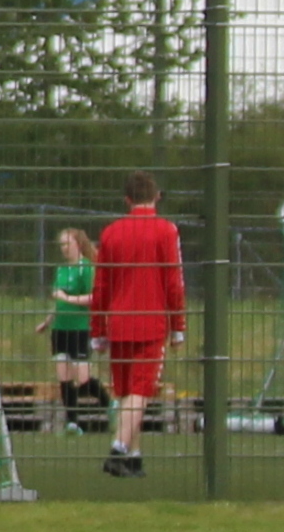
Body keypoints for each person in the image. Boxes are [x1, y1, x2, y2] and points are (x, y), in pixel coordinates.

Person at [92, 172, 186, 480]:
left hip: (118, 322)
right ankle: (118, 449)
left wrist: (98, 329)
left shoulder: (111, 233)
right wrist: (178, 324)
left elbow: (101, 285)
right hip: (151, 322)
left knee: (126, 391)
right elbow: (173, 281)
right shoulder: (165, 230)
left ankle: (133, 456)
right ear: (156, 196)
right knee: (141, 390)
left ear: (127, 199)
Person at [47, 226, 103, 435]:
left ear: (78, 244)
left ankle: (110, 405)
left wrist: (68, 298)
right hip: (60, 328)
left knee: (83, 378)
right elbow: (58, 300)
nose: (63, 248)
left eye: (67, 243)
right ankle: (72, 422)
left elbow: (93, 298)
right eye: (61, 244)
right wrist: (48, 320)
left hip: (80, 328)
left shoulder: (87, 268)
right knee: (64, 376)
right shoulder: (61, 270)